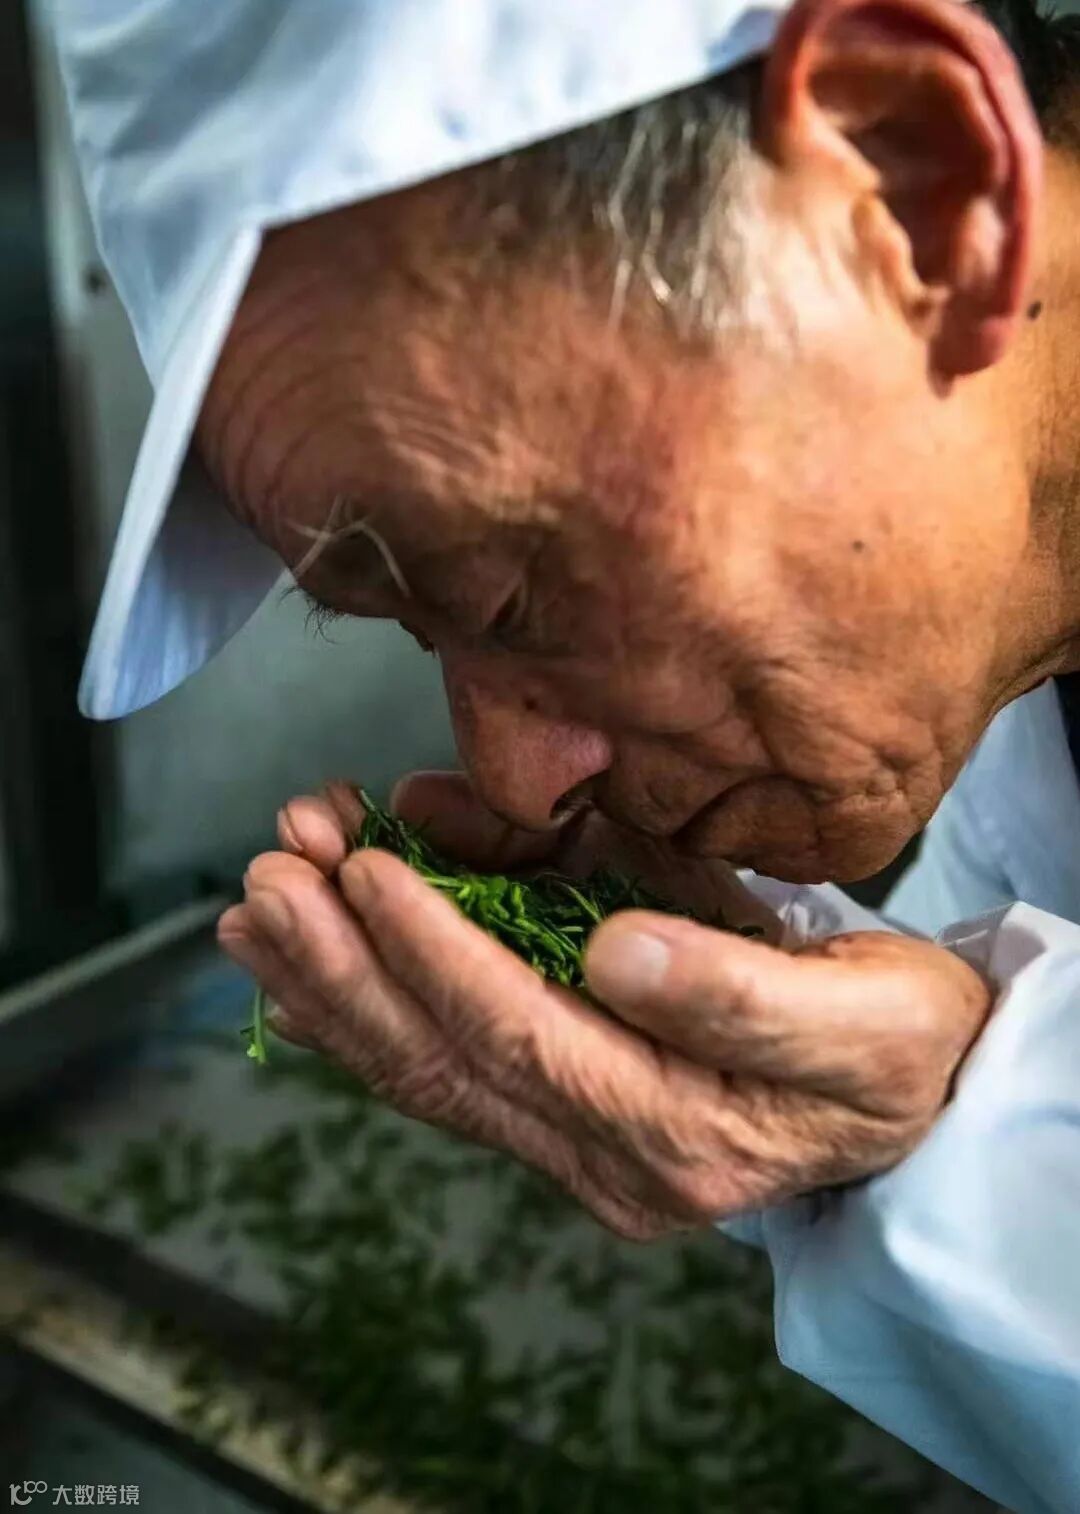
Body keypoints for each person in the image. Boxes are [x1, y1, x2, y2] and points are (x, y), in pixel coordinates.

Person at [47, 0, 1080, 1507]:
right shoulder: (996, 655)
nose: (523, 782)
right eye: (425, 637)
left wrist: (978, 1150)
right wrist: (893, 1094)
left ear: (915, 183)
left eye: (508, 599)